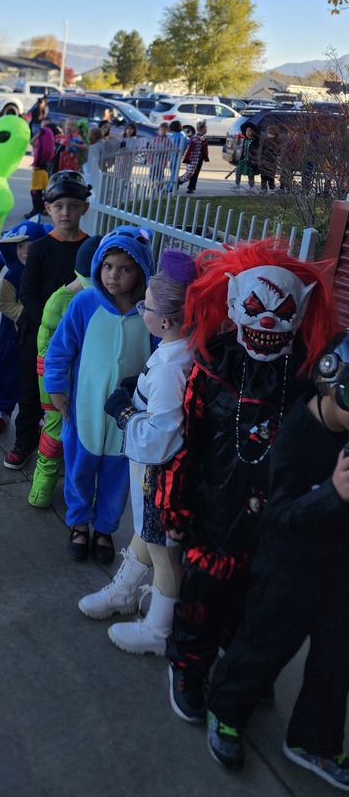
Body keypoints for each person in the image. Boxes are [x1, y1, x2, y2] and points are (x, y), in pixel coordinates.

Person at [155, 240, 335, 724]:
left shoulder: (304, 381)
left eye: (282, 311)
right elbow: (184, 444)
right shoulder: (212, 368)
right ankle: (189, 666)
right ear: (235, 305)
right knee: (202, 600)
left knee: (251, 609)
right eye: (256, 307)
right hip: (213, 513)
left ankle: (236, 668)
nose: (268, 321)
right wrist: (174, 508)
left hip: (271, 524)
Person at [206, 330, 349, 789]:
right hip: (287, 568)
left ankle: (313, 739)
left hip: (338, 572)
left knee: (336, 660)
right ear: (331, 383)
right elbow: (277, 517)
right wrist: (333, 494)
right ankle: (226, 708)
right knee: (263, 645)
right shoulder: (295, 435)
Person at [79, 250, 197, 655]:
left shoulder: (169, 367)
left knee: (165, 558)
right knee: (146, 536)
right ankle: (125, 593)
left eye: (146, 304)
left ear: (164, 320)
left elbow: (159, 435)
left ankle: (159, 631)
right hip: (155, 478)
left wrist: (125, 411)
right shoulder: (176, 350)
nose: (141, 307)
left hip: (160, 477)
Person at [44, 226, 154, 561]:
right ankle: (79, 523)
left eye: (125, 268)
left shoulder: (151, 311)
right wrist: (56, 388)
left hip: (129, 416)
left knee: (117, 476)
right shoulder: (84, 304)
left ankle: (105, 528)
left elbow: (162, 357)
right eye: (107, 267)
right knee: (79, 468)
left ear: (141, 271)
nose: (113, 276)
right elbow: (60, 349)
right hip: (85, 409)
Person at [4, 171, 91, 470]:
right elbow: (27, 294)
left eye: (73, 205)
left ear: (85, 208)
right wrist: (50, 324)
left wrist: (72, 329)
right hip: (38, 335)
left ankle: (68, 443)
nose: (66, 212)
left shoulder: (91, 250)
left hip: (79, 338)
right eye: (59, 206)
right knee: (30, 390)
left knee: (72, 392)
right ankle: (25, 440)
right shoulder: (40, 248)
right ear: (47, 207)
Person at [28, 234, 103, 508]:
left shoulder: (104, 301)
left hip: (89, 384)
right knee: (56, 429)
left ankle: (80, 485)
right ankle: (44, 478)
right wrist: (53, 388)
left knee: (87, 436)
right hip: (61, 383)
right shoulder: (61, 302)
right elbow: (47, 351)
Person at [0, 220, 51, 436]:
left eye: (31, 246)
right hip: (13, 333)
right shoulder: (12, 276)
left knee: (36, 371)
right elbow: (4, 304)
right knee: (7, 367)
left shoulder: (46, 274)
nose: (25, 252)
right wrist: (27, 315)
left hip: (39, 334)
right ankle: (2, 407)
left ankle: (36, 412)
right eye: (21, 246)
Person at [25, 117, 57, 217]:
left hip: (38, 172)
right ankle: (41, 209)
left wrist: (38, 134)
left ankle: (36, 210)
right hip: (44, 172)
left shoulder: (39, 148)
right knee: (41, 192)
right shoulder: (48, 149)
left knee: (35, 192)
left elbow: (31, 142)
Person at [177, 121, 210, 193]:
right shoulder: (194, 138)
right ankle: (179, 181)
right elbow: (189, 149)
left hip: (199, 159)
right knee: (189, 173)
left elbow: (205, 148)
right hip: (193, 159)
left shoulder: (204, 138)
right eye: (205, 128)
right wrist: (186, 158)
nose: (206, 129)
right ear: (201, 129)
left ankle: (191, 187)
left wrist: (206, 156)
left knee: (195, 174)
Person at [233, 124, 260, 192]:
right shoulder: (245, 140)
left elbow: (256, 151)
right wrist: (241, 158)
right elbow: (243, 150)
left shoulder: (256, 141)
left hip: (251, 160)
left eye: (249, 131)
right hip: (244, 159)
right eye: (246, 131)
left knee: (250, 174)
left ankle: (251, 186)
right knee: (238, 170)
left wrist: (253, 159)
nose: (247, 132)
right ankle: (237, 184)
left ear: (253, 132)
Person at [258, 123, 282, 193]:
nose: (267, 133)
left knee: (270, 175)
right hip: (265, 159)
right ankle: (263, 187)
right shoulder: (266, 140)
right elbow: (262, 150)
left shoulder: (276, 141)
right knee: (263, 175)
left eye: (268, 132)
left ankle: (271, 187)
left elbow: (277, 150)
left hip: (271, 160)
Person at [147, 123, 171, 188]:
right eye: (161, 130)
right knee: (152, 172)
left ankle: (159, 183)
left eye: (164, 130)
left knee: (160, 172)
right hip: (153, 159)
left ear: (167, 130)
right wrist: (149, 157)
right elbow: (151, 148)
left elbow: (168, 150)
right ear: (159, 130)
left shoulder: (167, 140)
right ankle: (152, 182)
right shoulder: (155, 139)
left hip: (162, 159)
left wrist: (166, 158)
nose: (163, 131)